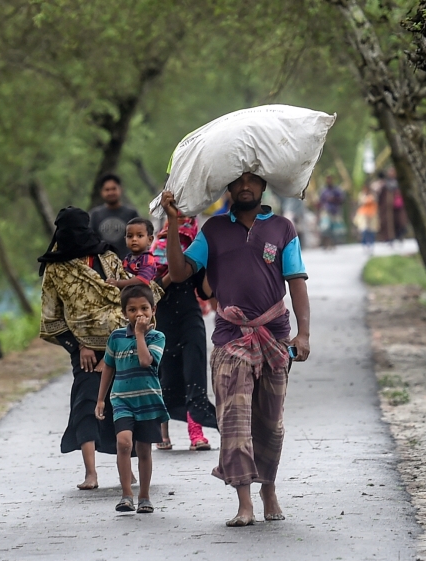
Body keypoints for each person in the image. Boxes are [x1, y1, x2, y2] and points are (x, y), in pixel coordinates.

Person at [160, 172, 311, 527]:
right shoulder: (212, 230)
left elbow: (297, 281)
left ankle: (268, 487)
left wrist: (303, 335)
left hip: (274, 337)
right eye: (237, 181)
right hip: (230, 338)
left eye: (252, 181)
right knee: (234, 421)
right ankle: (244, 502)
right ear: (228, 189)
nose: (245, 186)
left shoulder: (283, 229)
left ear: (263, 187)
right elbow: (180, 272)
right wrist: (171, 223)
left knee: (271, 425)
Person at [38, 207, 128, 491]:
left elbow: (127, 301)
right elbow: (51, 317)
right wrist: (79, 348)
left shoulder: (108, 258)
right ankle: (91, 473)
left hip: (120, 343)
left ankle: (129, 469)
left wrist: (116, 349)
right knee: (85, 404)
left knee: (124, 405)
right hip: (85, 351)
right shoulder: (54, 269)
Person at [95, 284, 169, 514]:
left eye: (144, 308)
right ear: (124, 312)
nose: (139, 314)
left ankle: (144, 496)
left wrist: (139, 334)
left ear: (153, 309)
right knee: (124, 444)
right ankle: (126, 494)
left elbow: (146, 361)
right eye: (132, 309)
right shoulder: (116, 337)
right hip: (122, 400)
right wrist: (100, 399)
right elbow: (108, 367)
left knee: (144, 450)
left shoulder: (157, 336)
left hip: (147, 401)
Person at [150, 216, 218, 451]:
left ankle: (196, 432)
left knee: (195, 373)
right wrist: (176, 268)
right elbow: (152, 288)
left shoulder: (198, 248)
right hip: (163, 320)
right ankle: (162, 431)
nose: (182, 221)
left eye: (185, 216)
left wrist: (210, 262)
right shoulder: (156, 248)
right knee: (165, 377)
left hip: (190, 317)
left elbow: (205, 290)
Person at [89, 174, 140, 258]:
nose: (110, 192)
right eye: (107, 190)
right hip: (102, 264)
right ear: (101, 192)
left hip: (127, 263)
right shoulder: (95, 215)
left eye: (114, 189)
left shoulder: (131, 214)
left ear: (120, 189)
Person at [109, 218, 158, 290]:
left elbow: (143, 280)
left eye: (140, 236)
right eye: (130, 236)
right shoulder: (127, 259)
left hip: (142, 296)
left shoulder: (147, 258)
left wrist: (118, 283)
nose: (134, 239)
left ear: (149, 240)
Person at [317, 175, 345, 249]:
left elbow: (342, 200)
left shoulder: (337, 190)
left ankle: (333, 244)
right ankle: (326, 243)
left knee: (335, 229)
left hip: (335, 211)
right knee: (325, 228)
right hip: (326, 211)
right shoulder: (323, 191)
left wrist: (334, 199)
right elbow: (320, 202)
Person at [354, 182, 379, 251]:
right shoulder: (361, 195)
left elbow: (374, 202)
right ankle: (364, 244)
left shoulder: (373, 195)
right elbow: (362, 202)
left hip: (372, 215)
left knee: (372, 231)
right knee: (364, 230)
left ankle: (371, 244)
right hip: (363, 215)